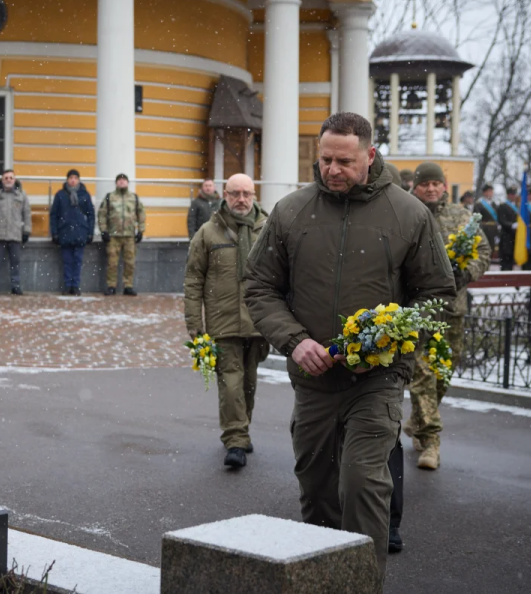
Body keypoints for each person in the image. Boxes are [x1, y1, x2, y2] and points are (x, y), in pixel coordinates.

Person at [244, 112, 456, 586]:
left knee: (362, 481)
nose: (333, 170)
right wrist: (295, 342)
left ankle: (360, 586)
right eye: (325, 159)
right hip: (314, 379)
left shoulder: (408, 214)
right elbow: (259, 285)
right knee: (317, 490)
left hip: (377, 379)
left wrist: (395, 335)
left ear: (371, 156)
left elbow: (438, 292)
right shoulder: (291, 212)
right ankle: (318, 580)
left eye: (345, 160)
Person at [407, 162, 490, 471]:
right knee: (422, 373)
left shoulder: (461, 217)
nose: (430, 188)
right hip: (417, 310)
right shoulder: (405, 212)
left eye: (435, 183)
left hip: (452, 309)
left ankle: (417, 419)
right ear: (415, 187)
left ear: (444, 186)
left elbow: (483, 253)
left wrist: (464, 273)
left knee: (442, 373)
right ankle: (430, 442)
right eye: (424, 183)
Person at [184, 173, 268, 469]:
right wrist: (195, 326)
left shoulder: (268, 230)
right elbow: (193, 280)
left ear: (254, 194)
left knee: (248, 383)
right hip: (223, 322)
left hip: (258, 322)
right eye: (235, 194)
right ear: (225, 195)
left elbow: (285, 277)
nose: (241, 199)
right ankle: (235, 439)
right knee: (230, 382)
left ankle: (241, 429)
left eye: (246, 193)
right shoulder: (208, 232)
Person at [0, 169, 31, 295]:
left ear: (15, 180)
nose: (8, 180)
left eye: (11, 178)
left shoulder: (21, 195)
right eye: (6, 178)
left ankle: (16, 286)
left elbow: (27, 214)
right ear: (2, 180)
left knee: (15, 263)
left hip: (15, 235)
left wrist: (26, 231)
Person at [98, 174, 146, 296]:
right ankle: (111, 286)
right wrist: (103, 231)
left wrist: (140, 231)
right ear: (116, 183)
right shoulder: (110, 197)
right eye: (119, 180)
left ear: (127, 183)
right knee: (112, 263)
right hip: (113, 236)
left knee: (130, 262)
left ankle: (128, 286)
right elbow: (102, 214)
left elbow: (141, 214)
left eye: (124, 180)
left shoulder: (134, 198)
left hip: (129, 236)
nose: (122, 182)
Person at [50, 169, 95, 296]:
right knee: (67, 262)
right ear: (67, 180)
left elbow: (91, 215)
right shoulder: (60, 195)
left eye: (75, 178)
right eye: (71, 178)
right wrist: (54, 233)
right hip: (65, 232)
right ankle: (67, 285)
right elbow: (54, 215)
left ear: (79, 180)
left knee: (78, 261)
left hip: (80, 232)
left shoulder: (85, 195)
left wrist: (90, 233)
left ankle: (75, 286)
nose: (73, 180)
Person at [496, 186, 520, 271]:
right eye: (511, 194)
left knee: (512, 260)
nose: (512, 196)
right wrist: (511, 225)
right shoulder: (503, 206)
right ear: (508, 195)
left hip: (515, 237)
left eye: (514, 194)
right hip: (506, 236)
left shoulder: (518, 206)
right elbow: (501, 220)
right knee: (505, 258)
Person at [473, 184, 499, 257]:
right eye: (488, 191)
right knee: (484, 250)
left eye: (491, 191)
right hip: (484, 230)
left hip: (493, 230)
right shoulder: (479, 204)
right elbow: (476, 219)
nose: (490, 193)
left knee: (492, 250)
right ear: (484, 193)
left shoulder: (494, 204)